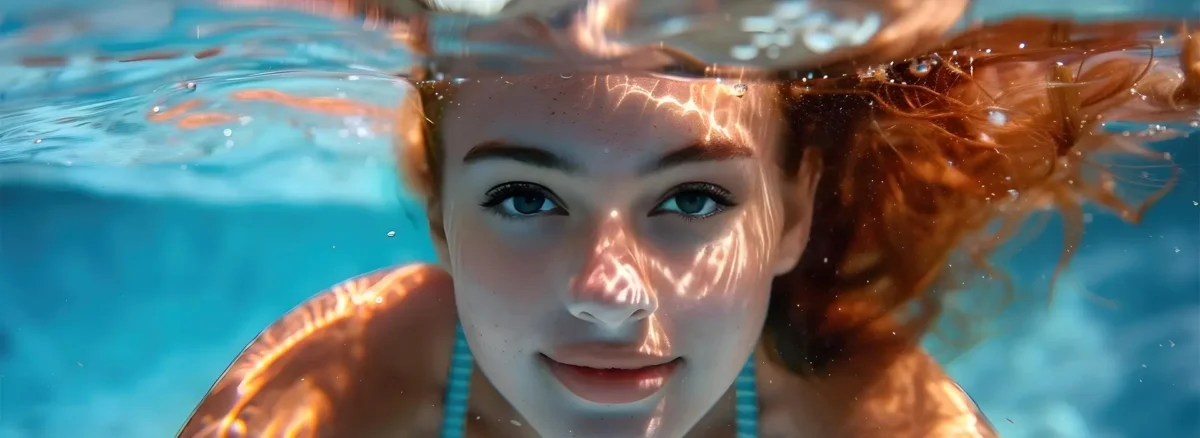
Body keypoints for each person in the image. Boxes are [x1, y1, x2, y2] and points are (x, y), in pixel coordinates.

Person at [179, 18, 1199, 438]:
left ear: (791, 218)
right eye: (526, 199)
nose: (607, 291)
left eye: (692, 199)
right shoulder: (345, 389)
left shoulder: (868, 417)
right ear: (440, 218)